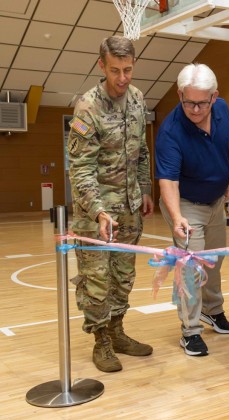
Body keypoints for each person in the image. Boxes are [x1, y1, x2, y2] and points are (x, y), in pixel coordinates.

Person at [67, 36, 154, 372]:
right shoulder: (87, 107)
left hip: (129, 209)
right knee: (98, 281)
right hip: (96, 215)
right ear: (101, 65)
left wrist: (145, 188)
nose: (122, 78)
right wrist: (99, 210)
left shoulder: (137, 99)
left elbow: (142, 151)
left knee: (123, 278)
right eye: (115, 70)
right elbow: (80, 169)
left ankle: (118, 332)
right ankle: (101, 341)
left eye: (128, 70)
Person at [155, 63, 229, 357]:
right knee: (190, 266)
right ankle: (190, 330)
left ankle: (213, 310)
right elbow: (168, 182)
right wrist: (178, 218)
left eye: (202, 102)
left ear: (215, 97)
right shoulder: (171, 131)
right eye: (188, 101)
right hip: (186, 205)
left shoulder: (223, 109)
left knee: (213, 260)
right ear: (179, 95)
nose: (195, 109)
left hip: (216, 202)